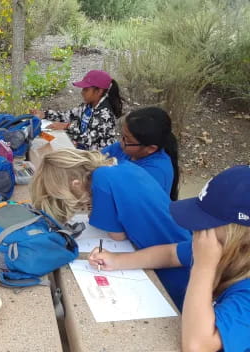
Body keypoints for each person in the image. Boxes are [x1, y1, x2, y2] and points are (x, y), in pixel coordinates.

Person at [88, 166, 250, 351]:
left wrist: (203, 267)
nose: (197, 230)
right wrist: (117, 260)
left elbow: (197, 346)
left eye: (206, 225)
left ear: (238, 234)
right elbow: (170, 254)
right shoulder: (229, 249)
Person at [30, 149, 191, 309]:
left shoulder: (101, 181)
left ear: (76, 184)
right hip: (179, 241)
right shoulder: (123, 167)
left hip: (173, 269)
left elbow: (117, 236)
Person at [31, 70, 123, 150]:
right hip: (82, 149)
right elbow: (68, 115)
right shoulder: (87, 106)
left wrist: (67, 126)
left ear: (99, 91)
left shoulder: (104, 115)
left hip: (97, 157)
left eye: (86, 89)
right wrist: (44, 114)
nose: (82, 92)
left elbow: (88, 140)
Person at [102, 107, 179, 200]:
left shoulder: (155, 174)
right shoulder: (126, 147)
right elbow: (96, 158)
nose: (121, 142)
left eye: (127, 139)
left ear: (151, 148)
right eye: (122, 136)